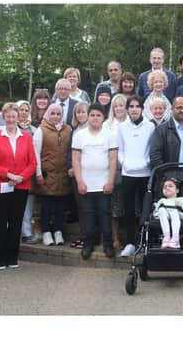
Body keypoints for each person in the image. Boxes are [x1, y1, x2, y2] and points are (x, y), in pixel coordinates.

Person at [0, 102, 37, 270]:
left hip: (20, 186)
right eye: (8, 116)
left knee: (15, 223)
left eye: (13, 116)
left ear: (19, 117)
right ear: (4, 117)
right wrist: (9, 175)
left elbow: (32, 163)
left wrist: (20, 177)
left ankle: (12, 257)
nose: (11, 119)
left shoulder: (27, 137)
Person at [71, 103, 117, 260]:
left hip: (104, 184)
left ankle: (108, 245)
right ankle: (87, 245)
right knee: (87, 217)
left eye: (98, 115)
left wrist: (110, 181)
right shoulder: (79, 135)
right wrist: (79, 181)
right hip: (86, 185)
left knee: (105, 216)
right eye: (92, 115)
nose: (95, 118)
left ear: (103, 117)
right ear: (88, 117)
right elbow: (75, 160)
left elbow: (113, 159)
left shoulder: (110, 134)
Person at [116, 96, 156, 257]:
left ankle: (146, 242)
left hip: (145, 174)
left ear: (142, 109)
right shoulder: (122, 127)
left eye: (137, 106)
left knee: (146, 209)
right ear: (127, 109)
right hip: (128, 174)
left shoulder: (150, 126)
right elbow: (120, 150)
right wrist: (125, 162)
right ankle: (131, 243)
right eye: (131, 106)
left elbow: (152, 150)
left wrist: (145, 163)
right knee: (129, 210)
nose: (134, 109)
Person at [33, 103, 72, 246]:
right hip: (46, 174)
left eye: (58, 114)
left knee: (60, 206)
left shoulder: (68, 130)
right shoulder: (41, 130)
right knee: (46, 206)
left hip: (62, 176)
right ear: (48, 114)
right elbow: (35, 154)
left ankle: (58, 231)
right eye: (53, 113)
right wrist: (38, 173)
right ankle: (46, 232)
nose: (55, 116)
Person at [103, 94, 128, 250]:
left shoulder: (132, 123)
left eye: (122, 105)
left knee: (131, 206)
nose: (119, 108)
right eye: (116, 106)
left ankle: (130, 239)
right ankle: (115, 239)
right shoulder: (107, 124)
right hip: (113, 170)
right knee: (115, 208)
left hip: (130, 169)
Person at [149, 97, 183, 169]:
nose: (182, 110)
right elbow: (155, 157)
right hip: (169, 176)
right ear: (172, 109)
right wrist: (165, 177)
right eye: (179, 108)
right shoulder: (161, 130)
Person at [67, 101, 90, 249]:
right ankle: (83, 236)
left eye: (83, 112)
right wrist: (70, 167)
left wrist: (76, 168)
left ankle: (88, 238)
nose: (81, 115)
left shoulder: (91, 129)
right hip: (75, 175)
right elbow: (70, 152)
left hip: (87, 174)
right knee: (81, 207)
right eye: (78, 112)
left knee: (88, 207)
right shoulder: (74, 129)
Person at [17, 100, 38, 244]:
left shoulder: (34, 130)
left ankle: (26, 232)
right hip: (12, 173)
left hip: (28, 172)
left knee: (28, 205)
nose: (24, 112)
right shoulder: (11, 127)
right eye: (21, 110)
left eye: (26, 110)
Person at [153, 178, 183, 249]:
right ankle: (167, 237)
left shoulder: (182, 200)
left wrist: (180, 205)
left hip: (179, 215)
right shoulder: (161, 201)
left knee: (173, 211)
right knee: (162, 209)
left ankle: (175, 238)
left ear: (177, 190)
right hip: (164, 216)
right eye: (165, 187)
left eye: (170, 186)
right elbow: (156, 213)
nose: (167, 188)